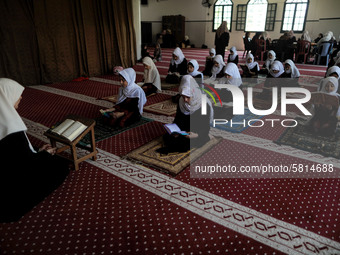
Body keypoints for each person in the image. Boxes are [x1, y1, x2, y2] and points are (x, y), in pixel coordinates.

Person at [0, 78, 70, 222]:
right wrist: (44, 154)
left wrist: (37, 151)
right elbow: (25, 165)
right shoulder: (11, 129)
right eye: (17, 94)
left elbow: (14, 154)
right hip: (9, 189)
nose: (20, 97)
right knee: (60, 165)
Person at [156, 75, 213, 154]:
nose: (185, 100)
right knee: (167, 137)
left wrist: (196, 135)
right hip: (184, 130)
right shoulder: (181, 101)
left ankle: (206, 137)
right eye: (183, 96)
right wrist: (176, 130)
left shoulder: (203, 104)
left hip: (197, 131)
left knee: (185, 144)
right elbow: (178, 119)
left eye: (188, 97)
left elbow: (205, 126)